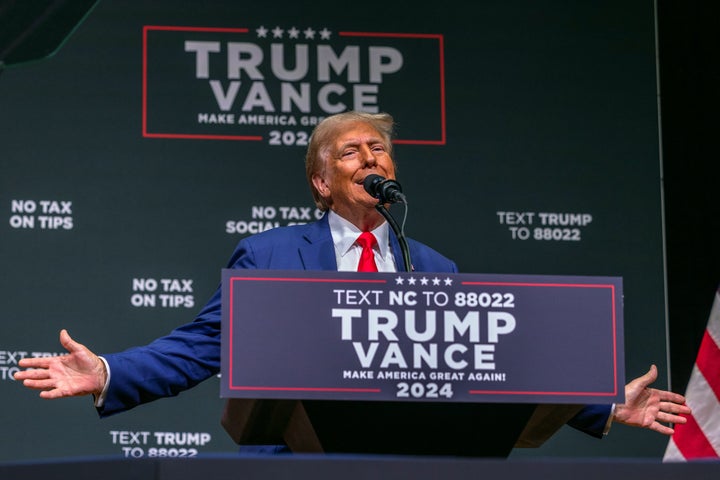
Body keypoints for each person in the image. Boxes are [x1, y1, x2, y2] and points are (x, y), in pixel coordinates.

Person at [15, 111, 690, 450]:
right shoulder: (271, 256)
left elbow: (485, 363)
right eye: (351, 152)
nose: (371, 157)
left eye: (380, 149)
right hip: (296, 458)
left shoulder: (436, 268)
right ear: (321, 181)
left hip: (413, 462)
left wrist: (597, 405)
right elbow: (201, 346)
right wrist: (105, 370)